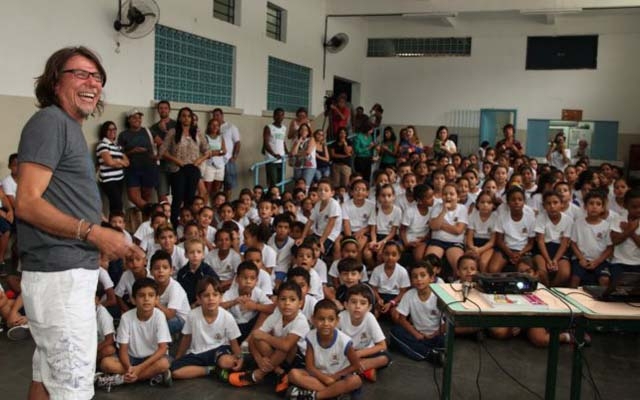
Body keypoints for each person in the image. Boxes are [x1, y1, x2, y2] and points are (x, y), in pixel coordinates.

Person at [16, 46, 135, 400]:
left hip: (60, 277)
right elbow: (26, 202)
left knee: (46, 377)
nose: (92, 83)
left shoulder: (66, 127)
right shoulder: (51, 122)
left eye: (97, 77)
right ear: (55, 81)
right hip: (60, 280)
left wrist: (103, 231)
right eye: (80, 74)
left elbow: (59, 197)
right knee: (72, 388)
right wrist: (92, 232)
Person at [228, 281, 310, 391]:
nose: (287, 303)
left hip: (296, 358)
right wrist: (259, 359)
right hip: (277, 355)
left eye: (292, 299)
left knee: (284, 345)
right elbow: (255, 336)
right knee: (258, 338)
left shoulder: (301, 321)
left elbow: (286, 346)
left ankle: (258, 375)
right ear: (277, 301)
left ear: (300, 303)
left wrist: (265, 337)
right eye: (283, 299)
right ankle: (279, 372)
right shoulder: (277, 312)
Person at [97, 278, 172, 390]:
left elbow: (162, 348)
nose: (146, 299)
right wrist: (129, 368)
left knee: (164, 363)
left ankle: (122, 379)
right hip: (131, 359)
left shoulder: (159, 316)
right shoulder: (126, 317)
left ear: (157, 299)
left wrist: (139, 369)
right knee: (106, 363)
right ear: (133, 299)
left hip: (152, 359)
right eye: (141, 295)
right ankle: (151, 376)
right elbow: (123, 349)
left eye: (151, 295)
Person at [286, 299, 363, 399]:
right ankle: (334, 394)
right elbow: (310, 367)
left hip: (339, 377)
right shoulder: (310, 336)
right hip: (319, 376)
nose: (326, 323)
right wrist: (324, 378)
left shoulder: (344, 341)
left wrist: (335, 376)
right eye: (321, 319)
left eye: (331, 319)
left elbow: (356, 366)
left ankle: (315, 396)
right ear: (313, 319)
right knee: (293, 374)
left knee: (355, 380)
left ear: (337, 321)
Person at [171, 276, 244, 381]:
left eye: (215, 295)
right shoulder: (192, 315)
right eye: (206, 295)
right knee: (175, 371)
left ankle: (218, 367)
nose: (211, 299)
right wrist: (178, 357)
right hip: (197, 352)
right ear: (199, 299)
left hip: (219, 350)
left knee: (227, 362)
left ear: (220, 297)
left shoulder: (226, 316)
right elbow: (186, 339)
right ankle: (211, 370)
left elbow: (234, 343)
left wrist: (239, 358)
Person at [160, 107, 210, 227]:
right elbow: (163, 151)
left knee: (190, 198)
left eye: (188, 116)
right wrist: (176, 160)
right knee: (178, 197)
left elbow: (207, 150)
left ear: (192, 118)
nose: (186, 118)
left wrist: (199, 160)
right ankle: (174, 225)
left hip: (192, 168)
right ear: (179, 117)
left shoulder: (197, 132)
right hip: (177, 169)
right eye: (183, 115)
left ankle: (188, 224)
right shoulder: (173, 132)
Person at [389, 262, 445, 364]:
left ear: (431, 278)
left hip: (436, 335)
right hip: (418, 335)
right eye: (415, 276)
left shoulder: (438, 296)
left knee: (446, 340)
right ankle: (429, 354)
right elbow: (402, 319)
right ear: (411, 280)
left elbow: (447, 322)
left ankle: (414, 348)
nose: (419, 279)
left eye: (423, 275)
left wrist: (435, 334)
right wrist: (416, 334)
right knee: (395, 331)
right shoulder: (409, 295)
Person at [118, 108, 159, 210]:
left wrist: (157, 156)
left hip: (149, 168)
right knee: (133, 196)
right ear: (128, 120)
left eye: (139, 117)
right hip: (132, 170)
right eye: (134, 117)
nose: (137, 119)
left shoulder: (148, 131)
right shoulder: (123, 135)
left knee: (146, 197)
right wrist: (133, 151)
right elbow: (119, 154)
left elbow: (162, 144)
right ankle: (151, 212)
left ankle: (145, 221)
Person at [96, 121, 129, 213]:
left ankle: (114, 225)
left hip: (119, 179)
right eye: (109, 129)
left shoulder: (117, 146)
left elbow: (127, 163)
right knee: (117, 204)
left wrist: (117, 162)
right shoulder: (102, 144)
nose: (112, 131)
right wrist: (119, 161)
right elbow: (109, 162)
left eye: (114, 129)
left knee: (115, 205)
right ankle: (114, 226)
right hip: (108, 180)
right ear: (104, 131)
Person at [149, 100, 177, 202]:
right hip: (161, 166)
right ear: (158, 111)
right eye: (161, 108)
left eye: (165, 108)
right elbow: (156, 146)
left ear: (169, 110)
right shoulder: (153, 128)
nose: (163, 110)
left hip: (175, 164)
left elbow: (176, 144)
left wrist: (165, 131)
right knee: (161, 193)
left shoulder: (177, 125)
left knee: (178, 193)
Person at [212, 108, 241, 199]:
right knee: (217, 185)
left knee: (228, 184)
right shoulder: (213, 128)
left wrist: (234, 157)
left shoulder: (231, 127)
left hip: (228, 159)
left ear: (222, 115)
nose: (216, 117)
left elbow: (237, 143)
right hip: (216, 160)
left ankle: (227, 203)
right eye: (214, 115)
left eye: (217, 115)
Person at [201, 117, 227, 202]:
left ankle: (215, 206)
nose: (215, 127)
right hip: (209, 165)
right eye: (213, 125)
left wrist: (213, 152)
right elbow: (205, 152)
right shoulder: (205, 137)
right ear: (209, 126)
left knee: (216, 189)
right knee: (207, 189)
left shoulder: (220, 137)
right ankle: (205, 206)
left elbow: (224, 151)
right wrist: (218, 152)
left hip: (220, 165)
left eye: (217, 125)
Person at [263, 108, 288, 188]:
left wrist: (287, 152)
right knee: (273, 181)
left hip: (282, 159)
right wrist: (274, 154)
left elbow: (283, 141)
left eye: (282, 115)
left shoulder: (284, 128)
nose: (279, 117)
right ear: (274, 116)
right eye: (277, 115)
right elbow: (266, 143)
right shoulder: (268, 127)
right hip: (271, 159)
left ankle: (280, 197)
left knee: (281, 181)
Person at [289, 123, 317, 187]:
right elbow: (293, 153)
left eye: (305, 130)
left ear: (308, 132)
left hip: (309, 165)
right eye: (301, 129)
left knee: (306, 185)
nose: (303, 131)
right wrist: (299, 142)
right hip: (298, 165)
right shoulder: (296, 140)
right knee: (297, 185)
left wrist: (297, 154)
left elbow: (308, 152)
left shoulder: (311, 139)